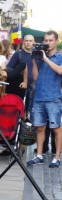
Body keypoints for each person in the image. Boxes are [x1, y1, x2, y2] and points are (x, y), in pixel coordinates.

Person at [27, 30, 62, 168]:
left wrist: (46, 59)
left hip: (53, 97)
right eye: (46, 41)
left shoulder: (59, 57)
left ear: (56, 41)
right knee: (40, 128)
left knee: (56, 129)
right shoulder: (41, 57)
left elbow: (59, 71)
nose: (47, 43)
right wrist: (35, 60)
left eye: (50, 40)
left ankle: (57, 157)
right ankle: (39, 155)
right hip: (39, 97)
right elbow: (35, 77)